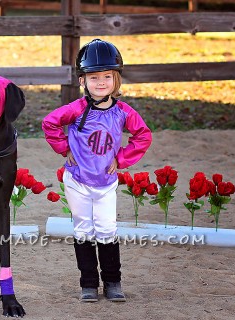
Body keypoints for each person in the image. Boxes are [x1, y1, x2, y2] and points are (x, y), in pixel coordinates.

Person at [42, 39, 152, 302]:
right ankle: (88, 284)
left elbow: (143, 135)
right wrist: (65, 149)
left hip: (105, 182)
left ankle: (113, 282)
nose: (100, 82)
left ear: (116, 79)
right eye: (93, 77)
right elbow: (50, 123)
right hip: (78, 181)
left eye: (106, 76)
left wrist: (122, 158)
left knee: (106, 229)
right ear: (82, 81)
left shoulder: (123, 112)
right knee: (83, 230)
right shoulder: (77, 109)